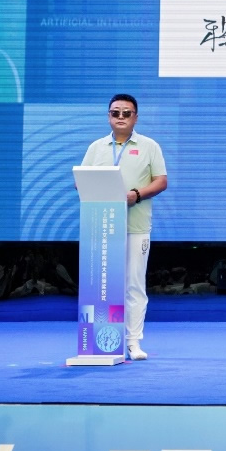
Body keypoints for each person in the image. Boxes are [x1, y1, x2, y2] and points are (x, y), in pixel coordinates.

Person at [81, 94, 167, 361]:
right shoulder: (96, 147)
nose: (120, 117)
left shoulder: (149, 146)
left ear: (135, 118)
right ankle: (103, 340)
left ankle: (133, 341)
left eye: (126, 113)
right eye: (115, 112)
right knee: (102, 285)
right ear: (108, 116)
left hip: (135, 226)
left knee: (133, 284)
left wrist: (136, 195)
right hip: (101, 227)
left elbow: (161, 181)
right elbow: (81, 180)